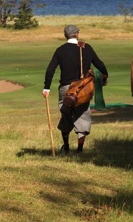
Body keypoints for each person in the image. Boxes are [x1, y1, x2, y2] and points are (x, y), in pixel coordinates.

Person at [43, 24, 108, 153]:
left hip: (66, 89)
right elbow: (100, 64)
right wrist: (105, 77)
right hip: (83, 88)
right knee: (83, 115)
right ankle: (79, 149)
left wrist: (47, 87)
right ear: (77, 34)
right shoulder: (87, 48)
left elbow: (50, 69)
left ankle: (66, 146)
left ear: (65, 35)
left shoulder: (60, 50)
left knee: (66, 115)